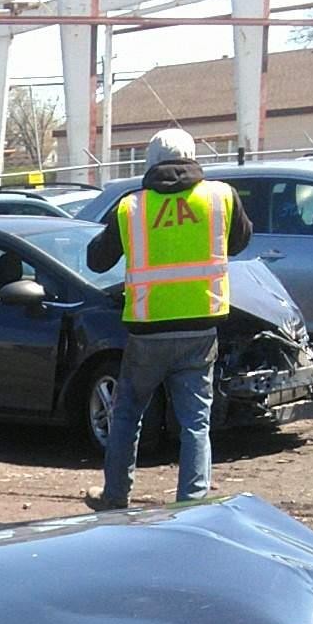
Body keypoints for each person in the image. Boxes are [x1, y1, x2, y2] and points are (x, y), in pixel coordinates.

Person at [83, 128, 252, 509]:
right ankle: (191, 503)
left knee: (127, 414)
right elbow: (240, 241)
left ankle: (115, 495)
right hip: (199, 325)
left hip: (148, 329)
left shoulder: (132, 206)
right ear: (192, 157)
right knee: (196, 421)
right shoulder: (219, 197)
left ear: (150, 162)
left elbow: (97, 260)